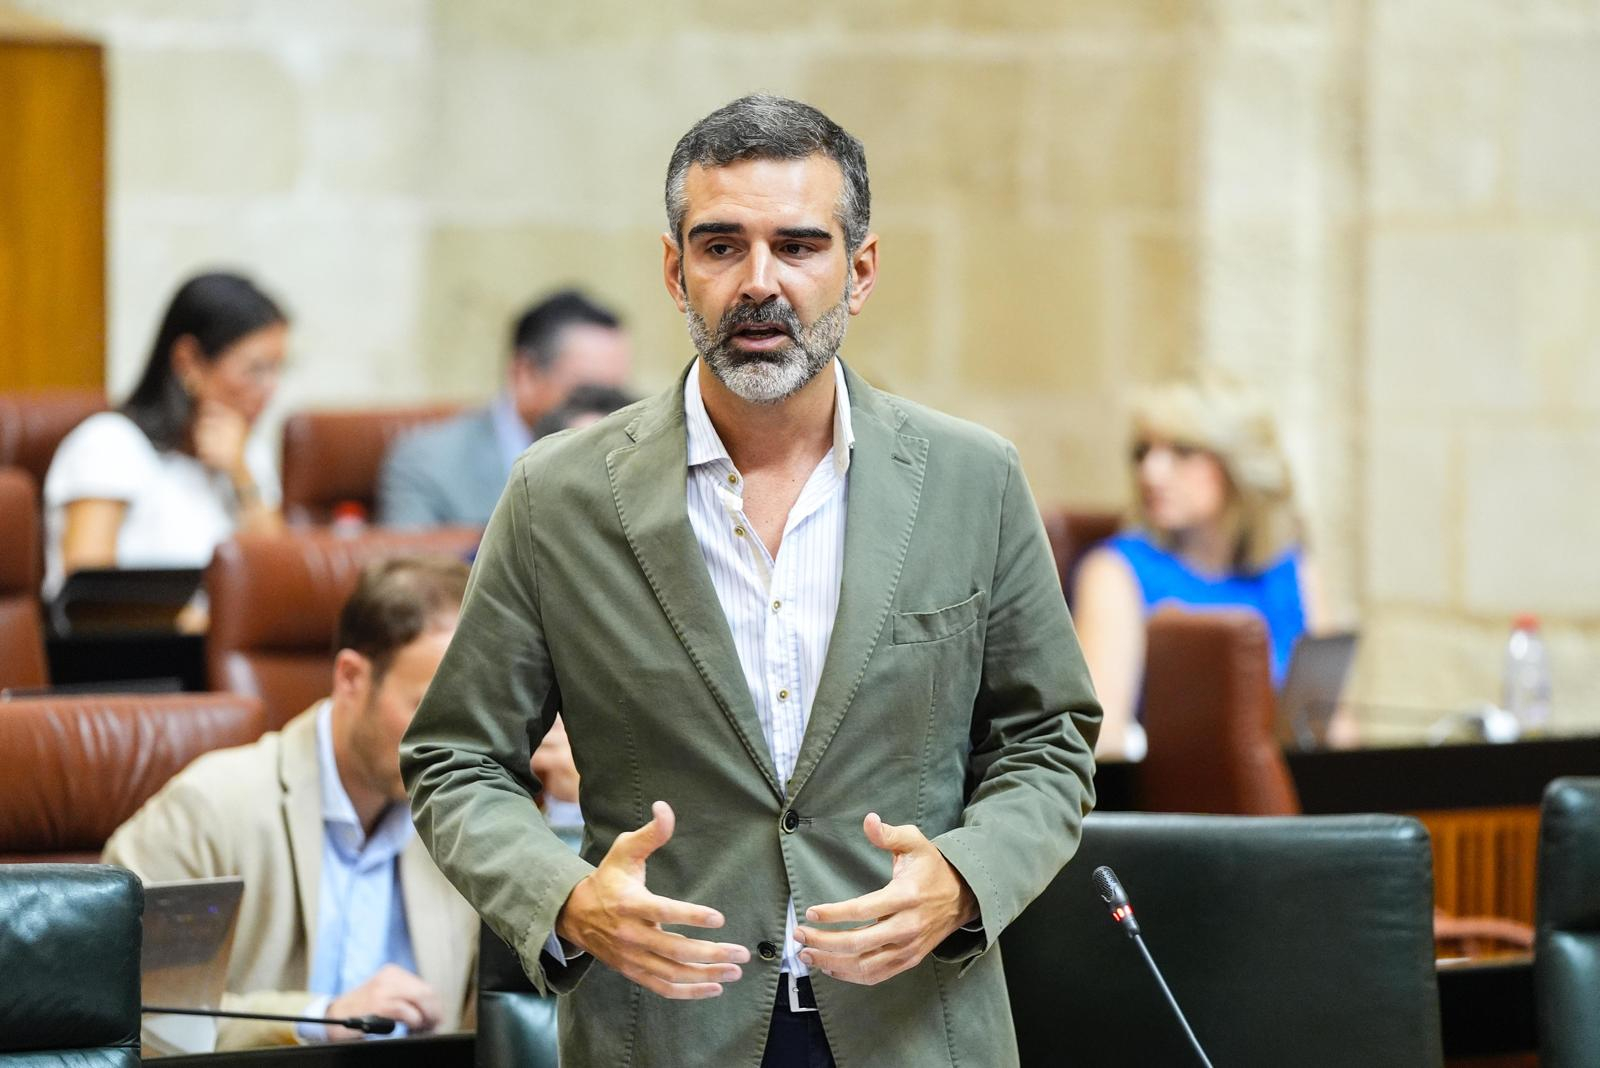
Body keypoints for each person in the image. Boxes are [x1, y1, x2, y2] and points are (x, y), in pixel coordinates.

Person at [401, 94, 1101, 1068]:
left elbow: (1049, 737)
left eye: (799, 246)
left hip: (913, 1026)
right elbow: (454, 759)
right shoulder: (558, 494)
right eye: (721, 245)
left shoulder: (970, 480)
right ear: (673, 269)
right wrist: (561, 897)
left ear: (858, 272)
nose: (757, 282)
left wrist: (965, 877)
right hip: (662, 1026)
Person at [104, 556, 479, 1050]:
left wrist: (563, 808)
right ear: (350, 678)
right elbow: (133, 1005)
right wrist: (317, 1017)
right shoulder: (210, 807)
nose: (457, 741)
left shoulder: (472, 819)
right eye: (431, 708)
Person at [1071, 375, 1334, 760]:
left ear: (1236, 462)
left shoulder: (1291, 568)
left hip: (1294, 799)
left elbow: (1333, 727)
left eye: (1182, 450)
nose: (1151, 472)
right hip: (1180, 803)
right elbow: (1101, 740)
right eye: (1143, 451)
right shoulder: (1114, 572)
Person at [43, 270, 287, 603]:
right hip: (133, 652)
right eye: (255, 370)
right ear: (188, 362)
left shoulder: (247, 453)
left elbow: (281, 585)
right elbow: (88, 602)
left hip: (219, 652)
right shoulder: (108, 444)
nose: (269, 390)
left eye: (278, 369)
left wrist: (241, 474)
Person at [377, 289, 632, 528]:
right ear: (525, 375)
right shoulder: (430, 464)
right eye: (587, 392)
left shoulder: (629, 458)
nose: (608, 412)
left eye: (614, 395)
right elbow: (412, 571)